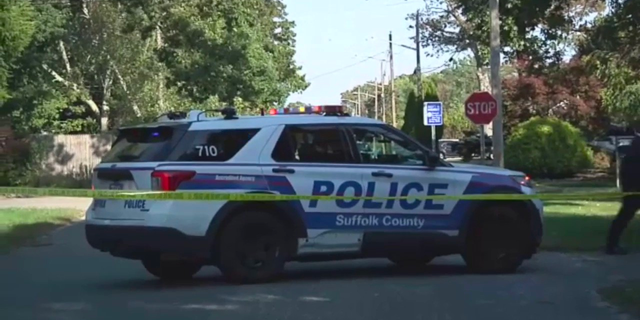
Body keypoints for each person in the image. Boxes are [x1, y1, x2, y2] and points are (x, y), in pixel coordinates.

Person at [606, 133, 640, 255]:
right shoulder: (636, 149)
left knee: (624, 216)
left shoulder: (634, 147)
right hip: (634, 188)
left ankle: (611, 244)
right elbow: (630, 170)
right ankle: (611, 245)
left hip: (632, 187)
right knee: (625, 215)